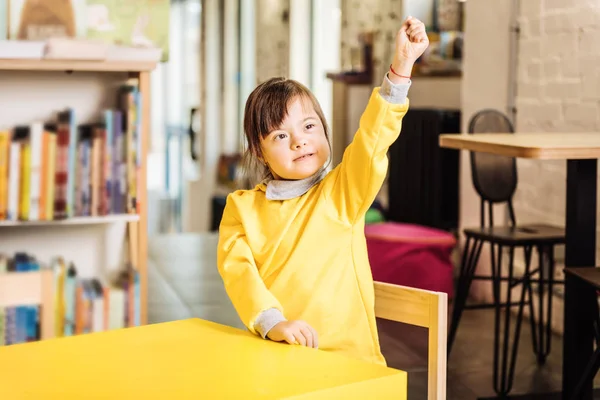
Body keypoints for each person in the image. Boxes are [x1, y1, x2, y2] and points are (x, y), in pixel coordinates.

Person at [217, 16, 429, 366]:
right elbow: (238, 273)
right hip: (277, 357)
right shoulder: (241, 208)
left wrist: (401, 69)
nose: (300, 141)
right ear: (259, 150)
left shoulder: (342, 191)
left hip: (350, 363)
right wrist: (274, 323)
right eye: (280, 136)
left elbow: (372, 141)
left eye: (309, 126)